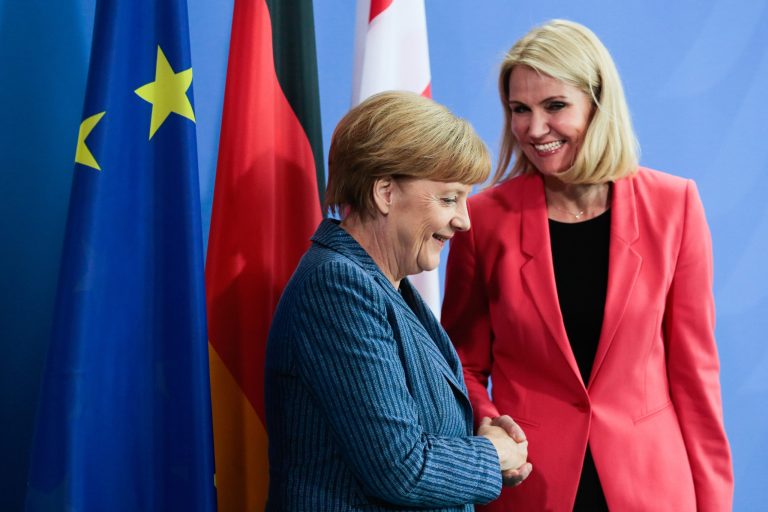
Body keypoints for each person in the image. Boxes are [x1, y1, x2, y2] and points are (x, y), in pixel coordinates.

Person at [442, 19, 733, 511]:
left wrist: (714, 502)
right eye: (520, 110)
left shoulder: (674, 205)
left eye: (555, 106)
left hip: (652, 487)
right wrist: (489, 422)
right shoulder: (485, 218)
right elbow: (460, 363)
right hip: (529, 486)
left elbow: (694, 377)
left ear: (598, 104)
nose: (535, 129)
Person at [264, 91, 532, 511]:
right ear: (385, 192)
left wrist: (481, 445)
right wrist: (493, 455)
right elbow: (402, 468)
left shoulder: (388, 287)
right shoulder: (337, 285)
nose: (463, 220)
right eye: (448, 198)